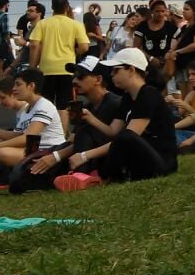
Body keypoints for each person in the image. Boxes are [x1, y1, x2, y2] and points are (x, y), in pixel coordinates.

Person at [58, 47, 178, 189]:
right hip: (140, 156)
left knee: (126, 136)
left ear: (131, 70)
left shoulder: (148, 95)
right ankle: (83, 175)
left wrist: (85, 155)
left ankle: (101, 177)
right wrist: (90, 119)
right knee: (89, 131)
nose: (112, 75)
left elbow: (128, 138)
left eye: (116, 70)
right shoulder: (128, 96)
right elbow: (112, 131)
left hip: (161, 160)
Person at [8, 57, 122, 194]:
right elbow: (72, 140)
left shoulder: (114, 103)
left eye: (80, 77)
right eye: (74, 77)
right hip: (75, 156)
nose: (74, 81)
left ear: (98, 79)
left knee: (84, 132)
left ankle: (84, 177)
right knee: (21, 178)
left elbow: (110, 140)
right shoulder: (86, 107)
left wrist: (55, 156)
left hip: (97, 159)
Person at [27, 0, 90, 135]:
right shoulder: (76, 24)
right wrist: (73, 50)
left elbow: (34, 46)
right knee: (64, 105)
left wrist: (32, 66)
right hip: (66, 69)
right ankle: (62, 137)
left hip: (46, 68)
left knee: (44, 104)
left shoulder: (42, 24)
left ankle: (43, 133)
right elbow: (85, 47)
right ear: (67, 7)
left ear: (51, 7)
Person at [0, 68, 68, 169]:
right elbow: (17, 135)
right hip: (36, 150)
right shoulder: (27, 109)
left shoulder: (44, 105)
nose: (14, 89)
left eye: (18, 84)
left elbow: (27, 138)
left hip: (51, 152)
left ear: (31, 86)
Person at [166, 0, 195, 94]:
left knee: (191, 92)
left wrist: (178, 52)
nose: (183, 11)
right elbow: (178, 42)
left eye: (187, 9)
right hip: (181, 64)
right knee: (183, 92)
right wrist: (171, 51)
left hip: (192, 64)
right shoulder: (185, 28)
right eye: (183, 9)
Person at [134, 0, 178, 76]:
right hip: (146, 64)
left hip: (166, 65)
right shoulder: (142, 26)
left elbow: (178, 42)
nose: (160, 14)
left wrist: (169, 55)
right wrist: (150, 58)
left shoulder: (170, 26)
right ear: (151, 12)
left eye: (162, 11)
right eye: (157, 11)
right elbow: (136, 47)